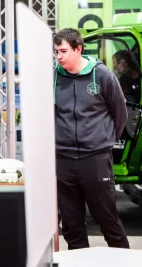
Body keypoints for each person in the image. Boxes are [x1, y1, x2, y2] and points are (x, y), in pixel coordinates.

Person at [53, 28, 129, 250]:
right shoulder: (54, 77)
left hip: (95, 159)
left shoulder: (102, 75)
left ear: (78, 49)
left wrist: (103, 140)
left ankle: (123, 262)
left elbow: (120, 113)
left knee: (108, 220)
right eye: (56, 52)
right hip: (63, 159)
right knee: (71, 225)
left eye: (63, 51)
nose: (59, 56)